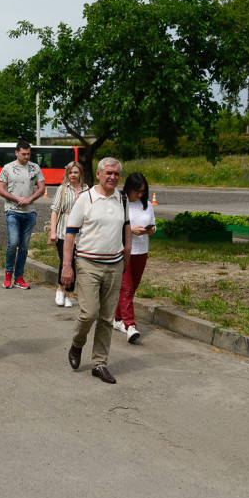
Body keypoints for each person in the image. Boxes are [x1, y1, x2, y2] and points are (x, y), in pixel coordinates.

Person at [61, 158, 130, 384]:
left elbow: (126, 229)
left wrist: (126, 258)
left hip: (115, 265)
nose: (112, 177)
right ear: (99, 174)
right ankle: (77, 344)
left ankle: (99, 364)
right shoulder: (85, 198)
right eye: (108, 173)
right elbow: (70, 234)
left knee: (107, 318)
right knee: (89, 313)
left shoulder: (123, 199)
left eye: (116, 174)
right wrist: (67, 267)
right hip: (88, 264)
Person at [0, 140, 45, 290]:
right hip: (12, 211)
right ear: (16, 152)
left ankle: (19, 277)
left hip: (30, 212)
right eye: (23, 154)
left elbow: (42, 188)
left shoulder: (35, 167)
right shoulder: (8, 168)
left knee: (24, 246)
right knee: (13, 243)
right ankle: (8, 273)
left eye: (28, 154)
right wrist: (17, 199)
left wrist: (29, 199)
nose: (26, 156)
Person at [114, 172, 156, 343]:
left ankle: (116, 319)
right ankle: (130, 325)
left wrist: (150, 230)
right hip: (123, 250)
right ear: (129, 189)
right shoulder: (120, 202)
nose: (139, 195)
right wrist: (131, 230)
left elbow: (154, 223)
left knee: (132, 288)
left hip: (141, 250)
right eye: (137, 191)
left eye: (142, 192)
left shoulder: (146, 204)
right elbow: (113, 224)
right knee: (126, 289)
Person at [48, 160, 87, 308]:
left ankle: (68, 294)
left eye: (75, 172)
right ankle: (60, 288)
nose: (73, 175)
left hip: (81, 232)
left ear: (80, 174)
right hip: (63, 231)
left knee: (75, 262)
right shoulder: (62, 189)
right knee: (66, 261)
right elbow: (55, 210)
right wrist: (53, 231)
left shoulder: (86, 190)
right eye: (70, 172)